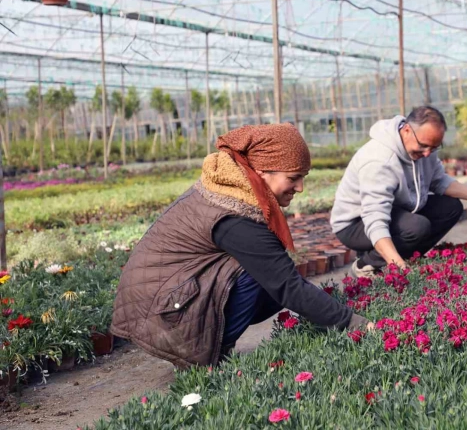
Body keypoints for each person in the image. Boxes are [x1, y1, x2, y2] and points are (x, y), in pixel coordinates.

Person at [111, 124, 370, 369]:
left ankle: (213, 342)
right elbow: (287, 286)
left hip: (166, 302)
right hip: (163, 316)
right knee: (262, 273)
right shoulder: (233, 213)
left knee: (268, 270)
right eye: (294, 177)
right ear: (262, 171)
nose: (300, 188)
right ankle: (207, 354)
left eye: (304, 177)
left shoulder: (232, 190)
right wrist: (354, 323)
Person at [331, 106, 467, 278]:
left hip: (396, 210)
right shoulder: (379, 160)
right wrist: (398, 265)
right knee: (417, 227)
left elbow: (438, 180)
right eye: (423, 146)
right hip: (355, 223)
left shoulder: (424, 148)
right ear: (406, 130)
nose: (427, 153)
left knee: (451, 207)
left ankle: (407, 257)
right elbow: (375, 218)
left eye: (434, 148)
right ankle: (366, 264)